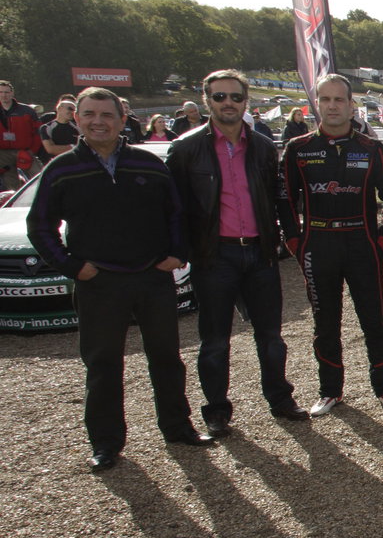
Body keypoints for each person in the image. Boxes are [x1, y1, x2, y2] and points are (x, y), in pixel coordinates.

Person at [26, 87, 214, 471]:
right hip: (99, 282)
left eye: (107, 114)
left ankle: (178, 427)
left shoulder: (147, 164)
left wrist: (177, 255)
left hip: (150, 277)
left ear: (121, 119)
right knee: (103, 364)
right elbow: (39, 226)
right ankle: (106, 443)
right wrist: (71, 266)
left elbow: (176, 214)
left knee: (166, 358)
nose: (99, 121)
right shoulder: (61, 170)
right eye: (90, 114)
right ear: (76, 119)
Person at [168, 69, 308, 437]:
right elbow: (173, 207)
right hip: (215, 256)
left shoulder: (262, 146)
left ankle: (280, 399)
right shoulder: (186, 148)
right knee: (215, 340)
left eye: (235, 97)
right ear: (206, 100)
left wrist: (291, 240)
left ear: (246, 102)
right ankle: (216, 410)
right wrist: (178, 250)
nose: (227, 103)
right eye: (219, 97)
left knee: (271, 336)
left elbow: (279, 199)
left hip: (259, 252)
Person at [281, 73, 383, 417]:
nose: (332, 106)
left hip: (361, 244)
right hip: (318, 244)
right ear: (316, 104)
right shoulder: (298, 148)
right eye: (325, 99)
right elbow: (284, 199)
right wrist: (295, 241)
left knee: (373, 320)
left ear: (352, 106)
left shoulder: (370, 147)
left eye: (339, 100)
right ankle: (330, 390)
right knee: (325, 323)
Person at [0, 80, 43, 190]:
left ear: (12, 93)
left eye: (7, 92)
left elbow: (38, 132)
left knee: (40, 177)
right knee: (12, 187)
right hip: (3, 155)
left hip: (24, 151)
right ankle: (15, 205)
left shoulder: (27, 110)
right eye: (1, 92)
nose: (4, 95)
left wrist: (31, 151)